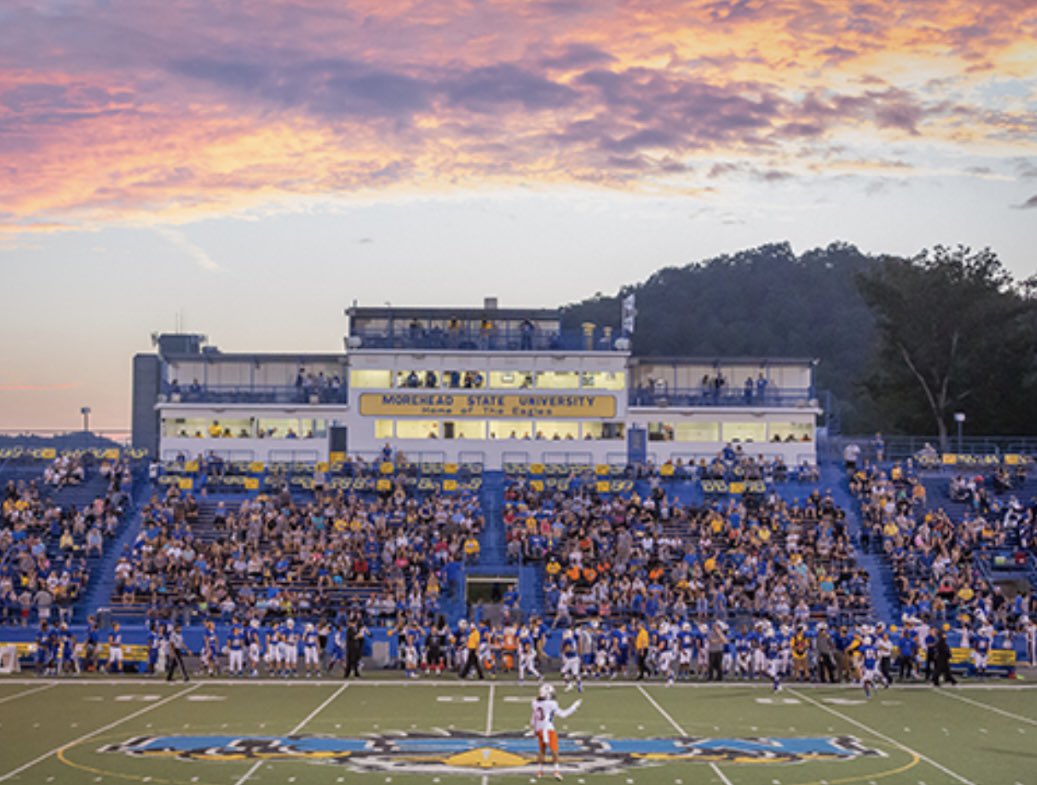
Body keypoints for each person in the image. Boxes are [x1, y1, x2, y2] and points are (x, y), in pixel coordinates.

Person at [530, 683, 581, 781]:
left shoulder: (535, 702)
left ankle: (540, 770)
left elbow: (534, 718)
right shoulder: (551, 704)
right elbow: (563, 714)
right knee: (554, 751)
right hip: (548, 729)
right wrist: (574, 707)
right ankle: (556, 771)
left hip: (539, 729)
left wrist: (534, 729)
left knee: (542, 751)